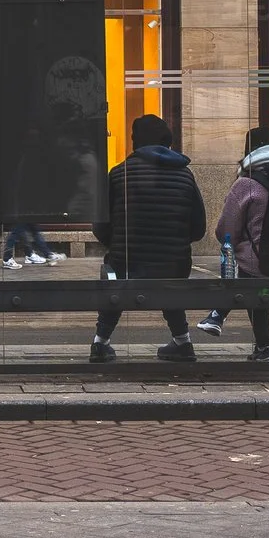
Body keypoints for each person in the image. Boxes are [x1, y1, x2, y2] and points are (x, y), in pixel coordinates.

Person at [90, 113, 204, 363]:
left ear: (135, 142)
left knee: (114, 275)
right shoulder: (185, 176)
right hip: (173, 264)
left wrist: (118, 242)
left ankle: (101, 342)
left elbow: (100, 226)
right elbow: (199, 229)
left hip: (128, 263)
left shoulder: (119, 174)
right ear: (168, 141)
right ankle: (183, 342)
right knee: (169, 278)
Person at [198, 128, 269, 361]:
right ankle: (260, 346)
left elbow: (225, 232)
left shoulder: (247, 184)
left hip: (260, 268)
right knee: (258, 284)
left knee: (251, 270)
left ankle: (218, 314)